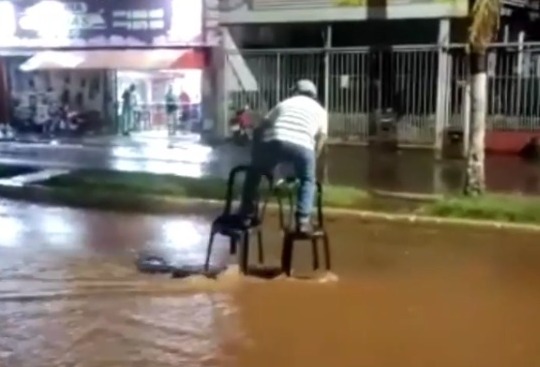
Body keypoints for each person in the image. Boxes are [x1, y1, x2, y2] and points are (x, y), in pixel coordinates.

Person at [238, 79, 328, 233]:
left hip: (275, 140)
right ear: (314, 95)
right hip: (303, 145)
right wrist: (312, 158)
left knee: (254, 173)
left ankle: (246, 214)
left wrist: (258, 154)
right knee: (308, 180)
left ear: (296, 92)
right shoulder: (320, 110)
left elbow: (262, 126)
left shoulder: (285, 103)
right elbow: (322, 138)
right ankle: (302, 221)